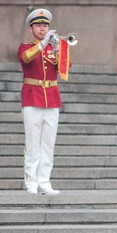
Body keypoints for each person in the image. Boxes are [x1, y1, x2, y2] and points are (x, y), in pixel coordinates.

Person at [18, 8, 68, 195]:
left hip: (52, 98)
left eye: (45, 25)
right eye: (38, 25)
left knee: (48, 142)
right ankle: (31, 181)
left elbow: (65, 68)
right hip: (32, 96)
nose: (42, 29)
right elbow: (25, 58)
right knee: (32, 142)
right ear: (31, 29)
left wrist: (59, 50)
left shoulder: (52, 48)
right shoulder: (26, 47)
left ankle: (44, 181)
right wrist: (41, 45)